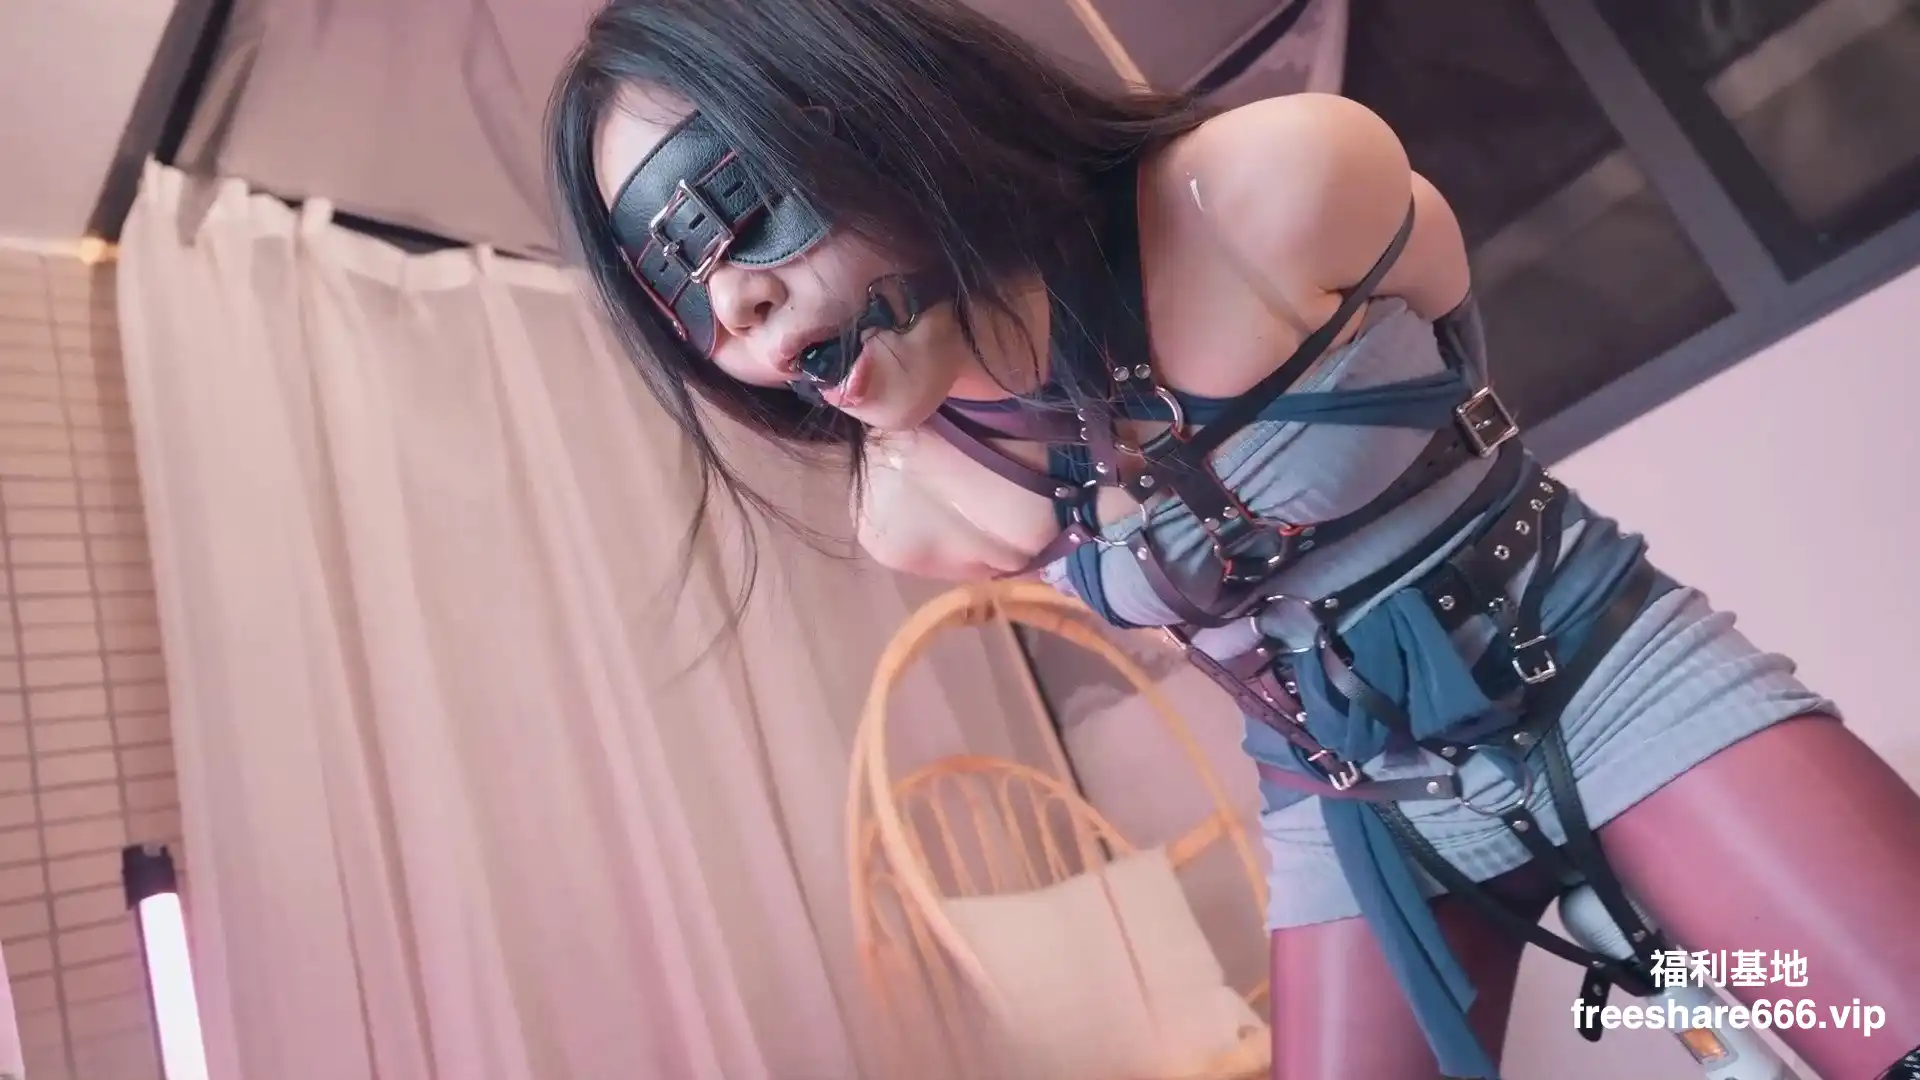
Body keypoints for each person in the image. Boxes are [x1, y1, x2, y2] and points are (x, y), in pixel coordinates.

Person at [547, 1, 1920, 1076]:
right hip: (1352, 811)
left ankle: (1688, 976)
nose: (734, 313)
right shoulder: (915, 504)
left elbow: (1444, 322)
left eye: (722, 213)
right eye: (674, 284)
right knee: (1656, 990)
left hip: (1601, 678)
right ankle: (1668, 982)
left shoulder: (1270, 187)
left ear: (865, 102)